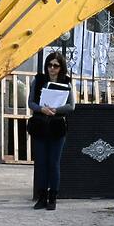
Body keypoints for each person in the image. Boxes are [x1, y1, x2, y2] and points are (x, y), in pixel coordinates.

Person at [28, 52, 76, 211]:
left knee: (53, 163)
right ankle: (41, 196)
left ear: (61, 67)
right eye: (49, 65)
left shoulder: (66, 83)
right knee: (41, 163)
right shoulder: (39, 81)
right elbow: (31, 103)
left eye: (55, 65)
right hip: (40, 125)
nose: (52, 68)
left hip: (57, 126)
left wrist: (56, 110)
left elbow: (71, 106)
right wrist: (42, 108)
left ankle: (53, 197)